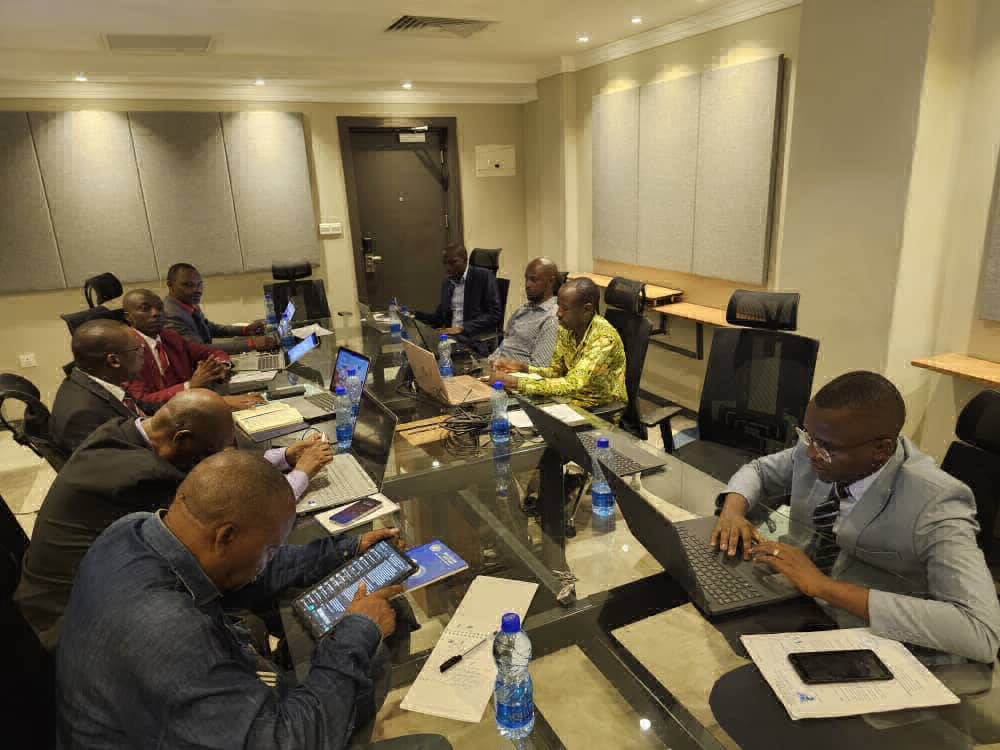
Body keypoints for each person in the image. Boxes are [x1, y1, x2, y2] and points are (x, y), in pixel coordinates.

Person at [56, 451, 451, 750]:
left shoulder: (133, 530)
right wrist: (357, 631)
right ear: (226, 536)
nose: (269, 560)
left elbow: (251, 574)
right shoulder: (169, 633)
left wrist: (346, 549)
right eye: (270, 548)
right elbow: (284, 742)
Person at [711, 371, 1000, 664]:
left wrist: (823, 586)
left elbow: (980, 631)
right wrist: (733, 511)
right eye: (808, 436)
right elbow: (759, 471)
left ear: (881, 450)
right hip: (793, 596)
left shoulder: (936, 502)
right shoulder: (822, 445)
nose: (810, 453)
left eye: (825, 447)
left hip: (864, 634)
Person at [15, 389, 333, 649]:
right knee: (253, 574)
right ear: (182, 440)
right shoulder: (143, 478)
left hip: (48, 594)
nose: (219, 460)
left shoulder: (120, 432)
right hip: (69, 623)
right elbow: (239, 511)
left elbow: (223, 472)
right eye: (214, 451)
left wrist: (284, 456)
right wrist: (302, 473)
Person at [493, 277, 627, 410]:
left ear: (587, 309)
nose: (558, 313)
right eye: (558, 306)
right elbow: (556, 372)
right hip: (566, 400)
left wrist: (516, 382)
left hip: (598, 409)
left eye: (565, 308)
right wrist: (523, 368)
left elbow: (572, 384)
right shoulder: (567, 328)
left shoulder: (603, 338)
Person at [122, 288, 263, 410]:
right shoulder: (126, 350)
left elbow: (211, 352)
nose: (155, 313)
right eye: (145, 308)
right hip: (168, 417)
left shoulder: (170, 337)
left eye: (159, 308)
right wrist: (190, 386)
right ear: (128, 317)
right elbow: (142, 402)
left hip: (193, 405)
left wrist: (220, 366)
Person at [49, 319, 153, 456]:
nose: (143, 353)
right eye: (137, 349)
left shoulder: (98, 380)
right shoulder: (84, 416)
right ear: (114, 361)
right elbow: (117, 463)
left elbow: (141, 407)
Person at [163, 262, 277, 354]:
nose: (197, 290)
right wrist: (251, 344)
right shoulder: (170, 315)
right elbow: (200, 349)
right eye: (188, 285)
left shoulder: (188, 303)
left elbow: (209, 328)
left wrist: (245, 330)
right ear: (170, 285)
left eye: (199, 284)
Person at [414, 243, 501, 351]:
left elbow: (494, 314)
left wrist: (462, 328)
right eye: (445, 263)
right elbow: (439, 317)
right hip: (450, 339)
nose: (448, 268)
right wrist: (414, 315)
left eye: (453, 262)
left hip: (471, 339)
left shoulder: (484, 277)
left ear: (465, 260)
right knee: (417, 346)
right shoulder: (447, 282)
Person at [487, 257, 559, 367]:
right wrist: (490, 361)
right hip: (494, 365)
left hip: (514, 374)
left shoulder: (552, 318)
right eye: (526, 279)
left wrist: (508, 366)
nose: (527, 285)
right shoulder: (522, 310)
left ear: (551, 281)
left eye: (533, 280)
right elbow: (505, 344)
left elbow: (540, 366)